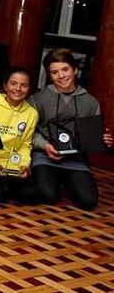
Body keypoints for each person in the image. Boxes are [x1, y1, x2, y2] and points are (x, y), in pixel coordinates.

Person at [30, 49, 114, 210]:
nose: (61, 76)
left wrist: (102, 140)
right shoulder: (38, 99)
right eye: (55, 72)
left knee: (88, 202)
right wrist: (45, 146)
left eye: (65, 69)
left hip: (75, 160)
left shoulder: (90, 102)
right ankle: (51, 179)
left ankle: (66, 180)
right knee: (48, 196)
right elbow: (30, 132)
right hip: (44, 155)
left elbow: (91, 137)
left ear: (75, 70)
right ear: (50, 75)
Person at [0, 67, 39, 203]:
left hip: (12, 166)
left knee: (31, 196)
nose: (18, 88)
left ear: (29, 88)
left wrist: (23, 165)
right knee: (1, 195)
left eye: (24, 85)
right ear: (5, 86)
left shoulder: (32, 113)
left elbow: (25, 144)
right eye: (13, 83)